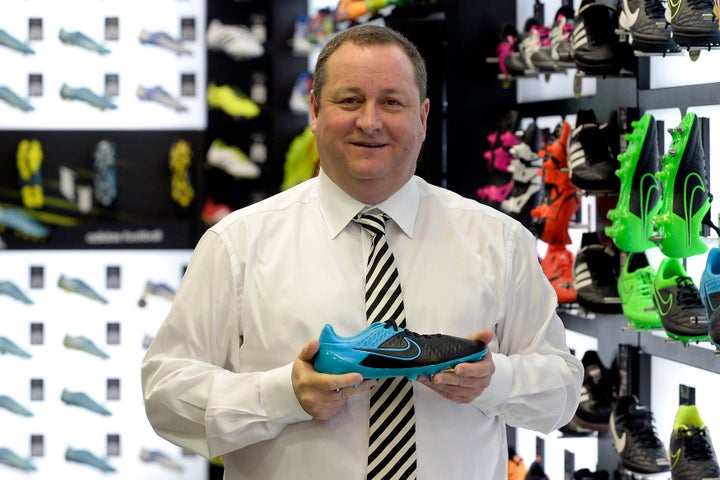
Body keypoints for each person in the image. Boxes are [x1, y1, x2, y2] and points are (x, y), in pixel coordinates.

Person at [141, 24, 583, 479]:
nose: (369, 122)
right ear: (314, 110)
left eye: (392, 102)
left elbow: (563, 394)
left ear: (424, 117)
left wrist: (495, 381)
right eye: (349, 100)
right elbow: (165, 396)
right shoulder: (236, 245)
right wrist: (282, 395)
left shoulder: (500, 241)